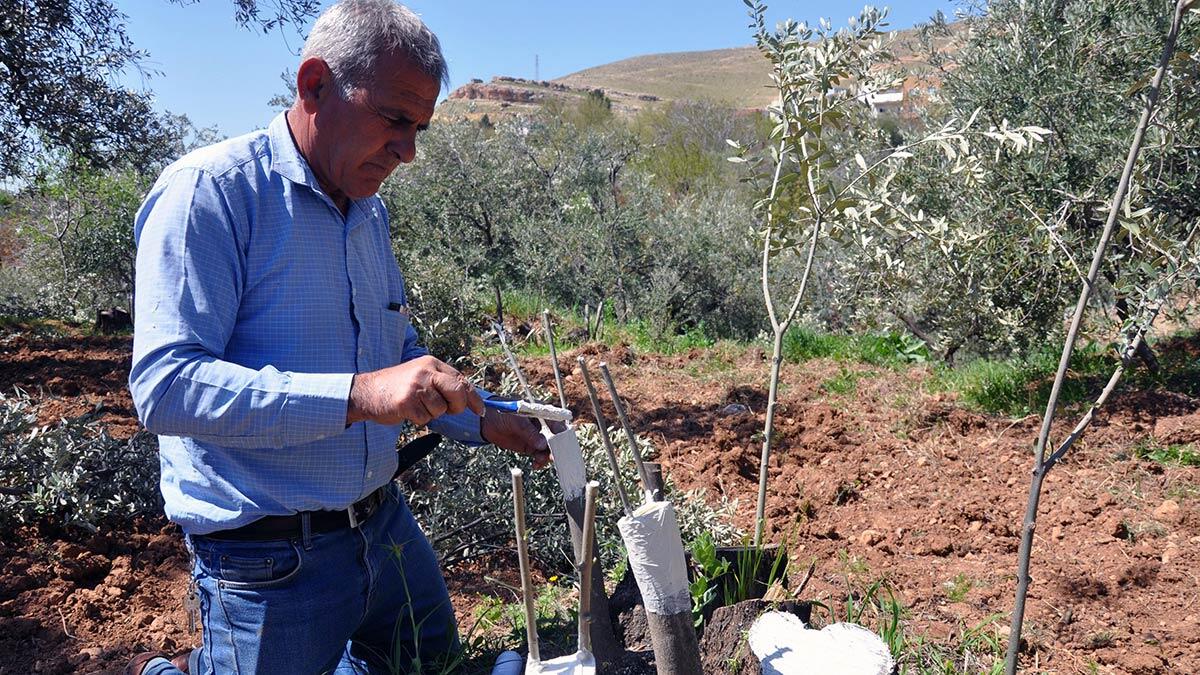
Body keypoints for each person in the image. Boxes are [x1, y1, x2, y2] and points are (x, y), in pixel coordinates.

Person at [125, 1, 549, 673]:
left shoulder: (367, 213)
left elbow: (395, 361)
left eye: (421, 128)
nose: (409, 150)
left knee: (427, 663)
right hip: (267, 562)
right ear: (315, 85)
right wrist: (358, 394)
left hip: (384, 532)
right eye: (396, 119)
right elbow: (165, 387)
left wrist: (488, 420)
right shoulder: (211, 194)